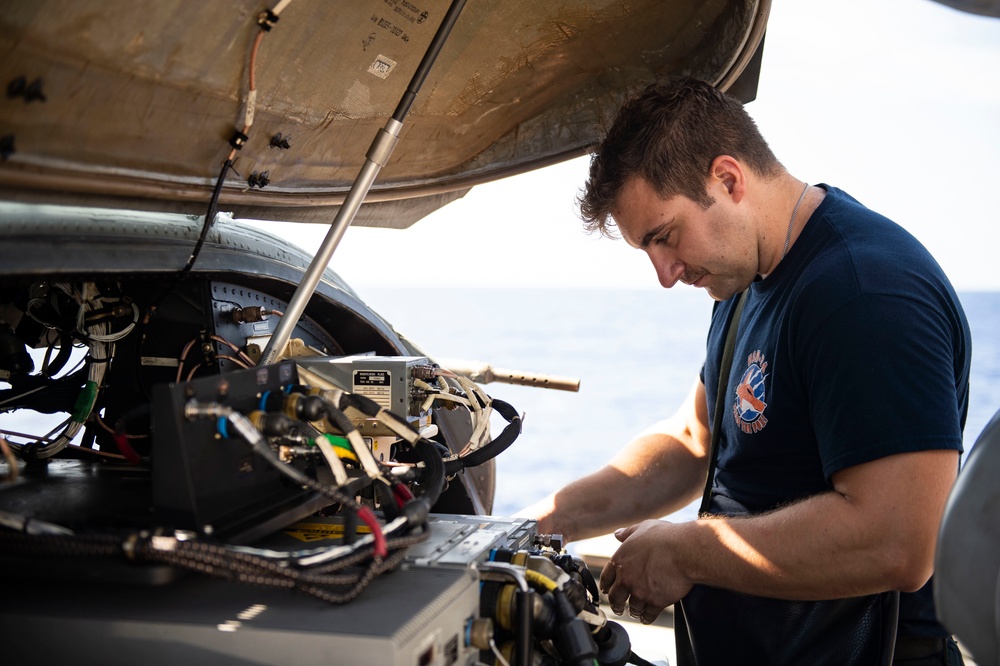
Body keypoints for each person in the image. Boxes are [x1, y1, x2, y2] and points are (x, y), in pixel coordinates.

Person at [522, 77, 971, 665]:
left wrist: (685, 552)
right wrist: (539, 526)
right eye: (648, 251)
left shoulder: (864, 291)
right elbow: (692, 442)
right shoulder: (744, 280)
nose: (664, 273)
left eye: (665, 237)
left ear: (727, 179)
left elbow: (900, 541)